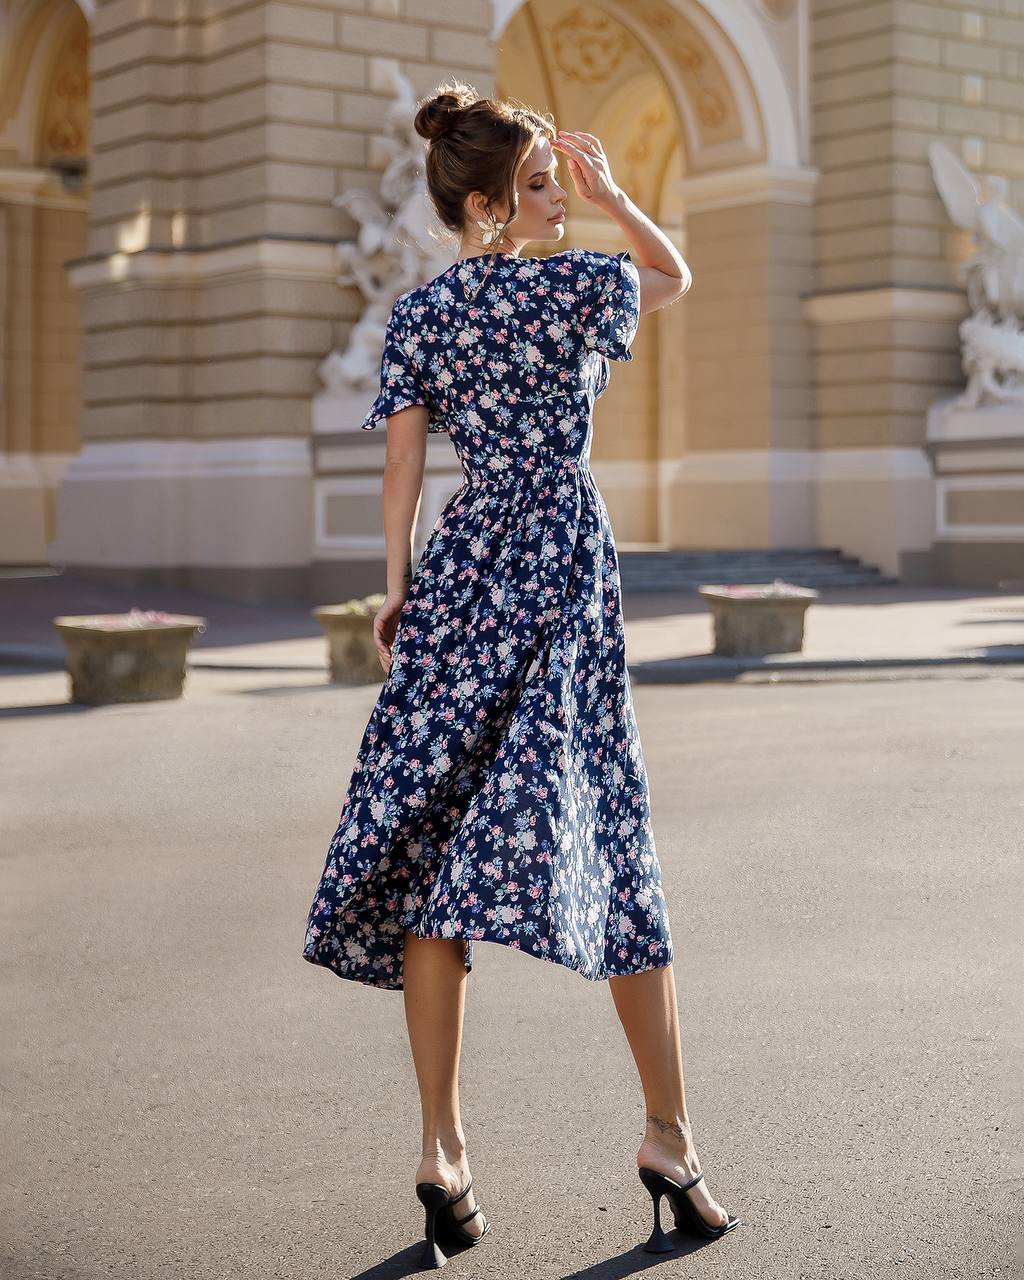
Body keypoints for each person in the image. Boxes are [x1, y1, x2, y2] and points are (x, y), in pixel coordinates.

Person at [301, 81, 740, 1266]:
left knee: (435, 845)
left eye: (558, 183)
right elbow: (675, 276)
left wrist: (395, 584)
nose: (559, 200)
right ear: (488, 203)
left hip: (459, 563)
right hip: (554, 562)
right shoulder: (583, 280)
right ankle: (669, 1138)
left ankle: (442, 1150)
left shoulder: (423, 313)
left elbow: (401, 471)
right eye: (541, 184)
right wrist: (618, 195)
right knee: (608, 824)